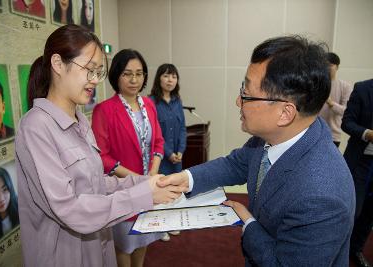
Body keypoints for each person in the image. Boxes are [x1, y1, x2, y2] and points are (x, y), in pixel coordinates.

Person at [158, 35, 355, 266]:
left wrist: (249, 223)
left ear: (285, 113)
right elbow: (238, 163)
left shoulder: (321, 197)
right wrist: (187, 178)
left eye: (247, 94)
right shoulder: (279, 134)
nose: (237, 101)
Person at [15, 25, 182, 266]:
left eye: (98, 72)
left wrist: (145, 182)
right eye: (89, 70)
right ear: (58, 64)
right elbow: (69, 208)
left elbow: (95, 183)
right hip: (64, 256)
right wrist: (144, 195)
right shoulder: (35, 127)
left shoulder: (80, 120)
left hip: (97, 249)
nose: (94, 80)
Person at [92, 49, 164, 267]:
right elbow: (101, 157)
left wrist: (152, 171)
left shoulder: (149, 105)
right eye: (127, 74)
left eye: (139, 73)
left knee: (142, 238)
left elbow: (158, 142)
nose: (134, 80)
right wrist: (136, 178)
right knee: (124, 244)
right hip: (122, 188)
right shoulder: (104, 110)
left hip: (148, 186)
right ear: (116, 75)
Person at [149, 63, 186, 241]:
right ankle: (160, 227)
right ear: (158, 78)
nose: (170, 80)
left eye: (173, 76)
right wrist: (169, 152)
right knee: (160, 190)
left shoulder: (178, 101)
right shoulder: (151, 102)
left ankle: (171, 223)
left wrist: (180, 150)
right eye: (166, 76)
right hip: (161, 157)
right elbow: (155, 133)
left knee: (175, 191)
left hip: (177, 157)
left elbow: (182, 130)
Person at [342, 78, 373, 267]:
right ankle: (337, 249)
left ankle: (356, 249)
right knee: (353, 211)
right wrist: (367, 134)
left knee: (370, 212)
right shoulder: (362, 88)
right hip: (360, 162)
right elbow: (347, 122)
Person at [318, 52, 352, 147]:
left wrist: (331, 103)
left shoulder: (345, 86)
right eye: (324, 65)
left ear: (337, 67)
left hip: (333, 135)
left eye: (330, 65)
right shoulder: (316, 84)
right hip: (315, 131)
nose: (327, 68)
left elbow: (346, 111)